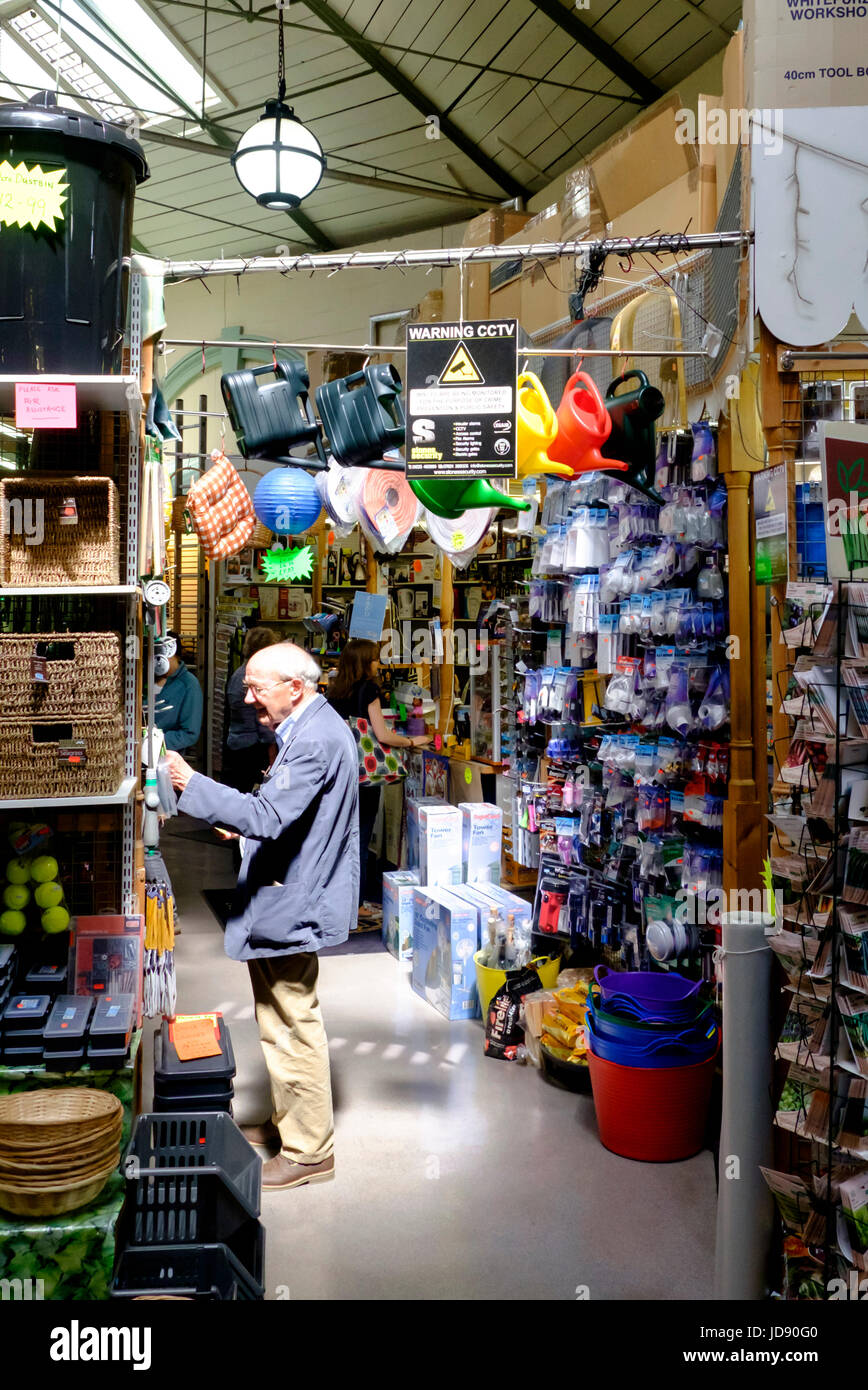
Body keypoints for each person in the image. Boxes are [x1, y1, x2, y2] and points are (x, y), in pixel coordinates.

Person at [165, 642, 359, 1191]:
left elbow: (272, 817)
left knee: (293, 1022)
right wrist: (238, 820)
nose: (248, 698)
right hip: (289, 892)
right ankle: (290, 1124)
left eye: (258, 687)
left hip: (294, 901)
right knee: (278, 1020)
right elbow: (285, 811)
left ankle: (308, 1152)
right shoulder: (311, 725)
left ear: (295, 687)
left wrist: (190, 783)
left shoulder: (315, 739)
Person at [327, 638, 430, 925]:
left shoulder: (336, 688)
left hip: (342, 770)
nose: (378, 664)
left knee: (343, 836)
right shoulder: (369, 690)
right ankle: (357, 904)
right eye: (374, 659)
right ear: (364, 663)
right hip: (365, 775)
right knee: (360, 836)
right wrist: (412, 740)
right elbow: (382, 735)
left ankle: (340, 898)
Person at [223, 626, 279, 793]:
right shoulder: (257, 677)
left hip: (235, 744)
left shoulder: (238, 673)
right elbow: (262, 721)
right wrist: (273, 751)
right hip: (254, 749)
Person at [154, 631, 204, 753]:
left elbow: (190, 733)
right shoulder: (144, 678)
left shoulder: (189, 685)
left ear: (173, 653)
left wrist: (155, 742)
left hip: (166, 758)